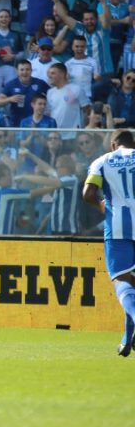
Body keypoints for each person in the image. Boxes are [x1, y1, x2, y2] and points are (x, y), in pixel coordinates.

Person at [83, 129, 135, 356]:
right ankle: (127, 339)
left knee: (122, 280)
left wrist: (102, 206)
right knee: (132, 286)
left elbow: (88, 194)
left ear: (113, 145)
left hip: (117, 227)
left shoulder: (101, 161)